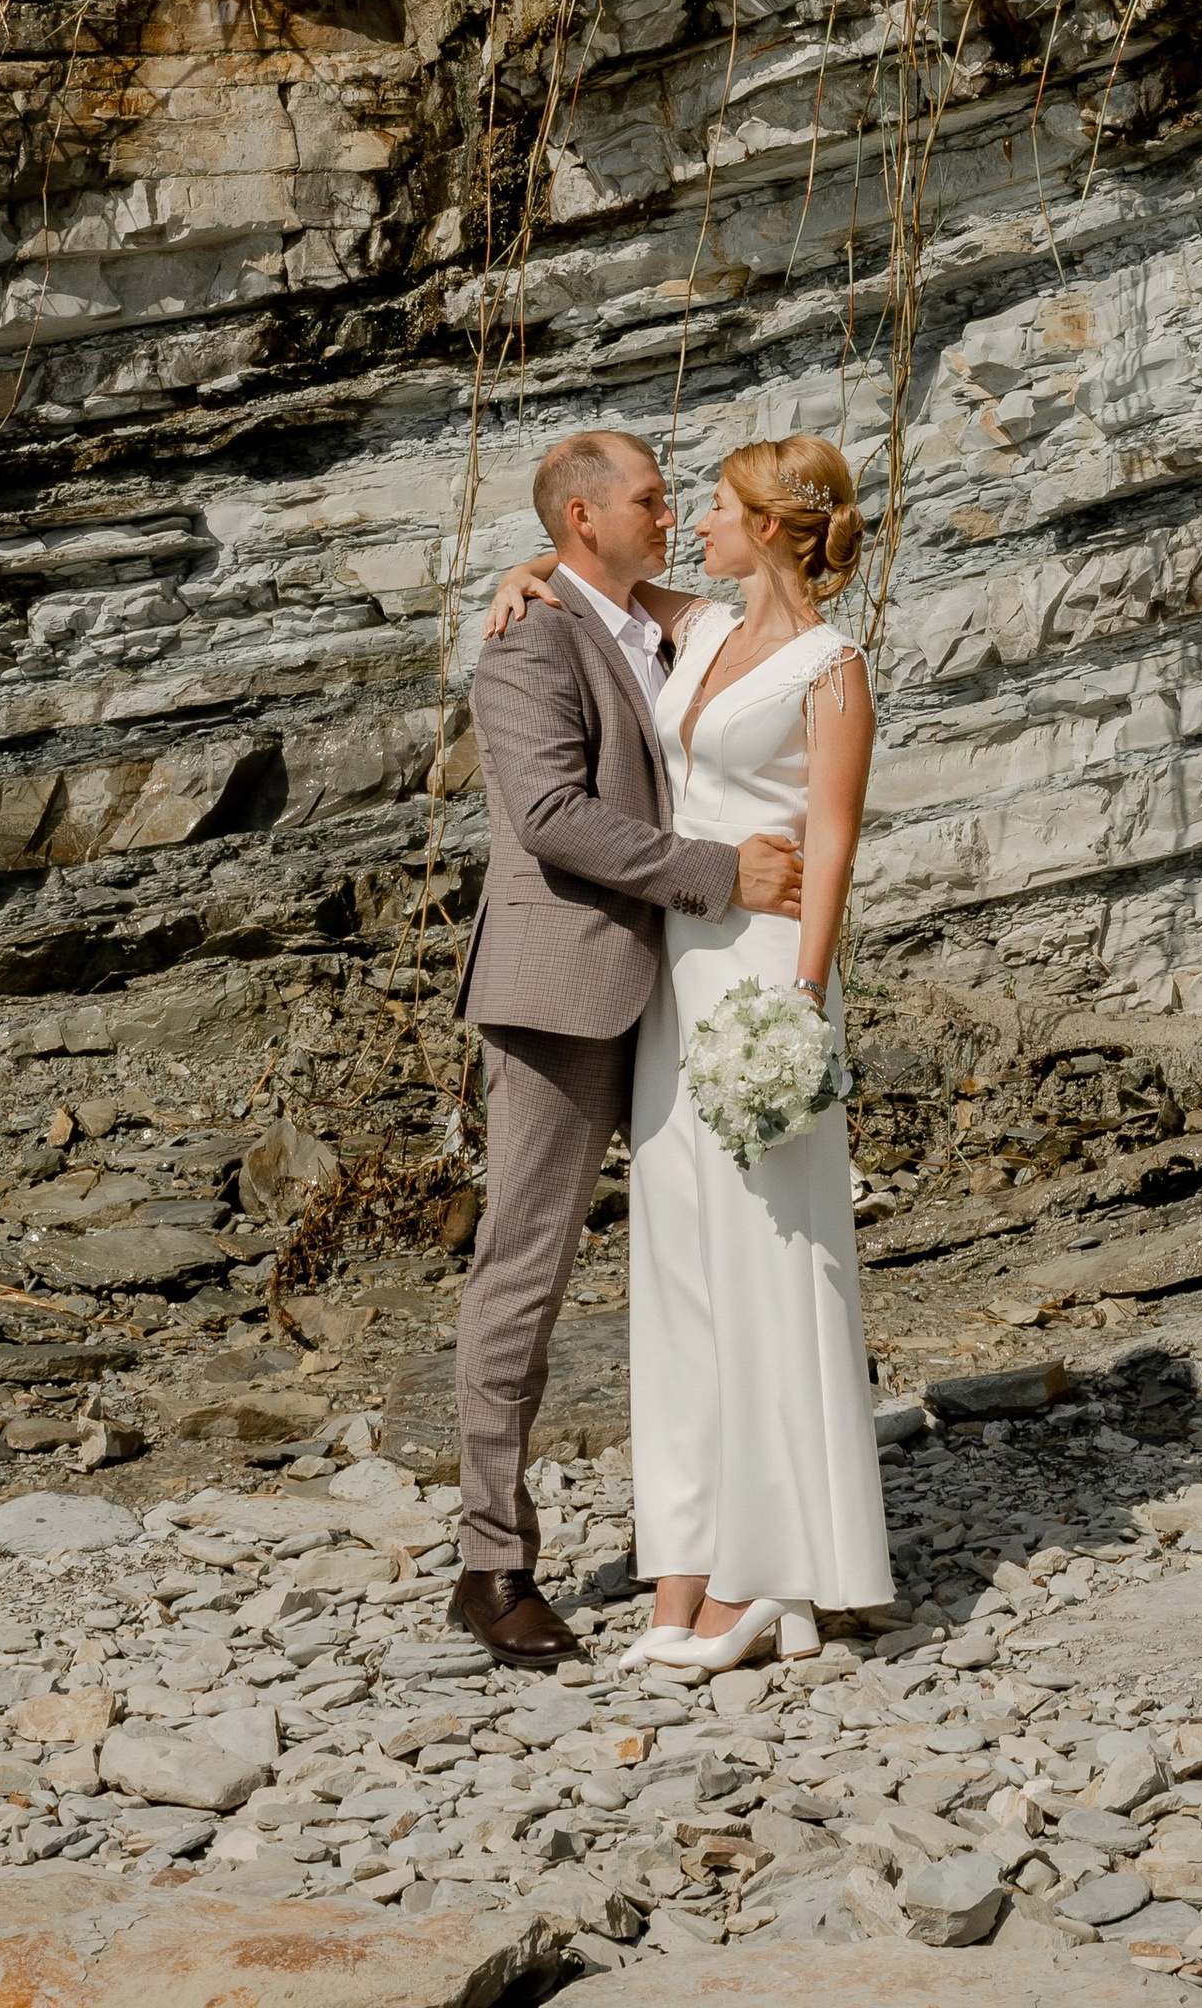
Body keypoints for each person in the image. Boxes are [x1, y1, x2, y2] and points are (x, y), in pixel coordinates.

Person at [483, 429, 893, 1670]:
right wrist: (523, 570)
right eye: (664, 502)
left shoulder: (823, 663)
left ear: (761, 528)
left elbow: (829, 846)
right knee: (674, 1276)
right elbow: (580, 574)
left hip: (758, 968)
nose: (681, 522)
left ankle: (770, 1572)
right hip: (661, 977)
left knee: (766, 1262)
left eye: (699, 505)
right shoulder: (690, 632)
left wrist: (805, 1002)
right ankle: (660, 1562)